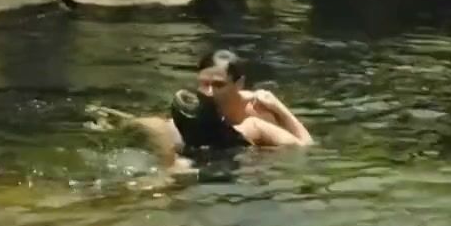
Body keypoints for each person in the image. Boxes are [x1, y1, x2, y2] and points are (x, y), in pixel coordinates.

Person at [86, 49, 313, 167]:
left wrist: (279, 107)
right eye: (204, 83)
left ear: (239, 84)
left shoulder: (257, 111)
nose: (209, 92)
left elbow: (306, 146)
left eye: (219, 85)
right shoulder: (194, 107)